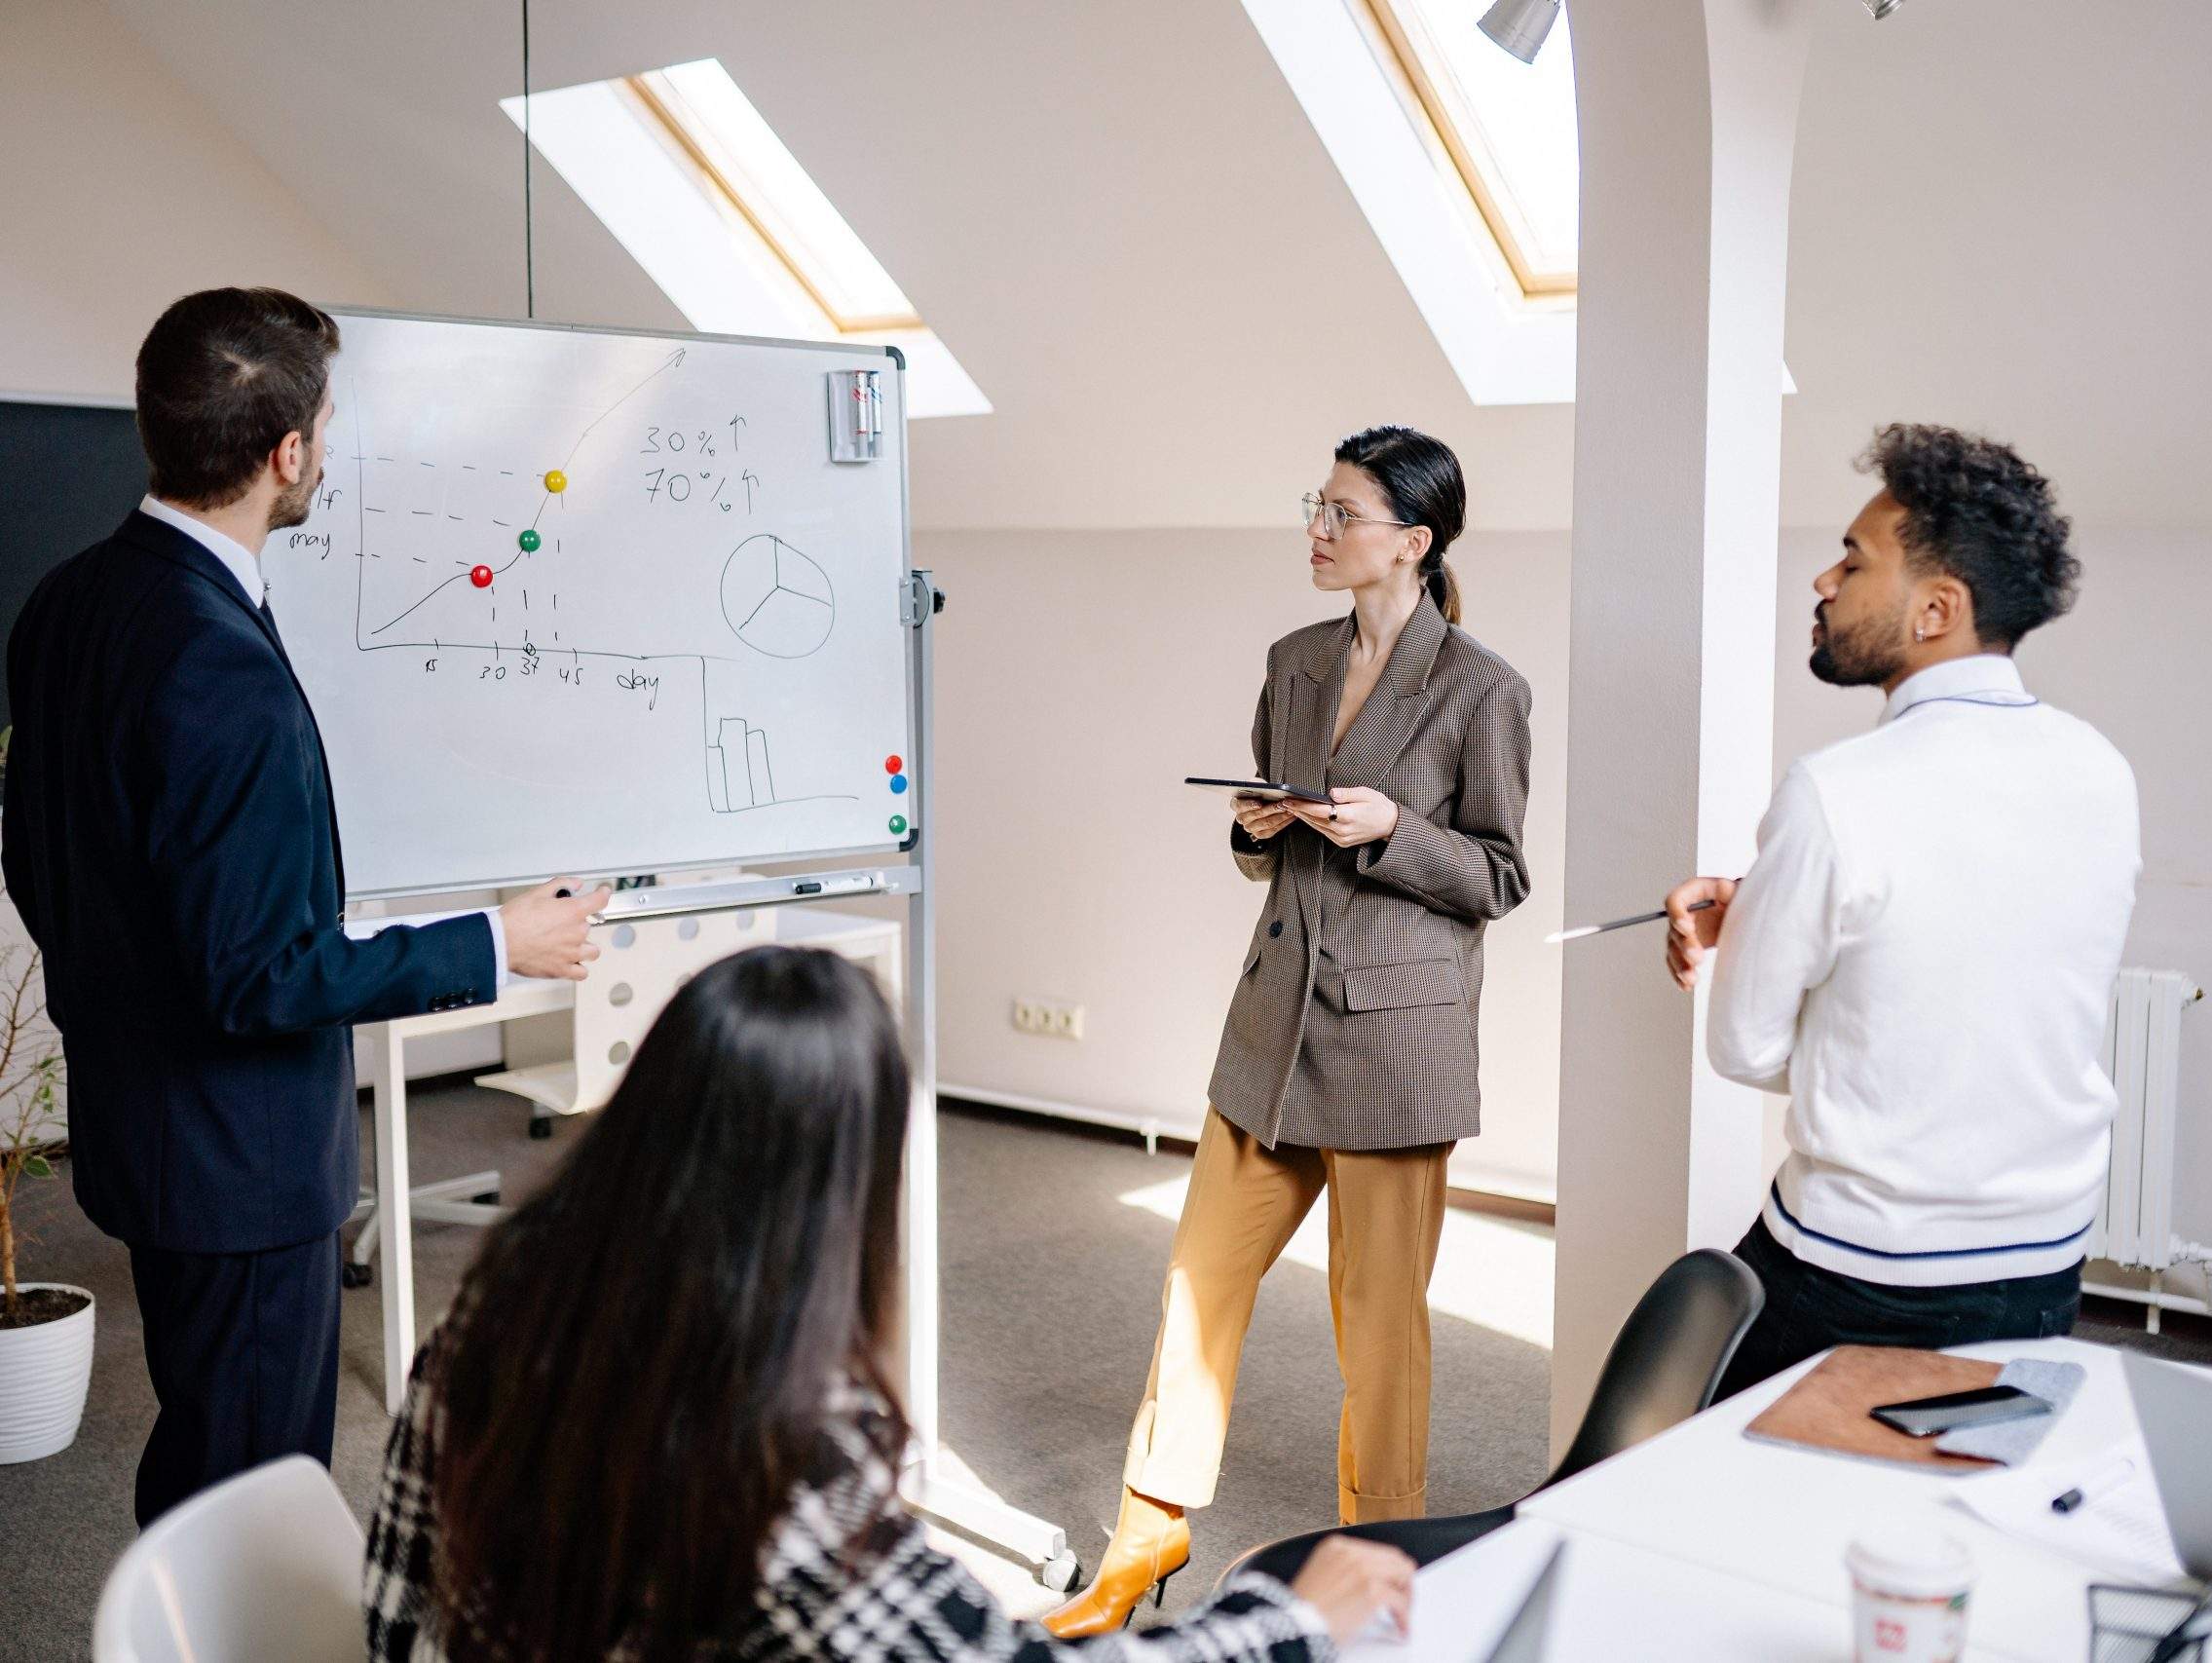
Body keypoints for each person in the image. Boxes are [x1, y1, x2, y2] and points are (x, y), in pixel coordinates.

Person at [1, 286, 607, 1525]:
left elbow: (38, 861)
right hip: (240, 1167)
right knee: (257, 1495)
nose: (328, 447)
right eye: (325, 425)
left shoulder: (68, 600)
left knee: (205, 1456)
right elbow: (264, 975)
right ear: (287, 455)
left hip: (147, 1129)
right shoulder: (215, 661)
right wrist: (502, 942)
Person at [364, 946, 1414, 1661]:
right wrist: (1285, 1618)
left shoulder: (495, 1308)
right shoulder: (787, 1449)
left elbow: (398, 1605)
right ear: (844, 1184)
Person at [1046, 427, 1532, 1637]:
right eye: (1314, 508)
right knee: (1196, 1290)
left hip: (1393, 1047)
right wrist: (1258, 830)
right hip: (1269, 1034)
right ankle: (1142, 1543)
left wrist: (1392, 832)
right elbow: (1264, 829)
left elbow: (1500, 875)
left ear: (1411, 543)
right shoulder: (1294, 658)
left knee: (1379, 1331)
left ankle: (1382, 1561)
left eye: (1342, 514)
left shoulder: (1484, 688)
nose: (1317, 531)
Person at [1664, 424, 2140, 1400]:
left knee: (1706, 1491)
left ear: (1936, 608)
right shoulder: (2099, 767)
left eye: (1852, 559)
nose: (1822, 582)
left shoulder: (1837, 790)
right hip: (2040, 1261)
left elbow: (1745, 1048)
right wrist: (1785, 914)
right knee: (1946, 1516)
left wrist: (1777, 951)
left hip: (1860, 1267)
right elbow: (1984, 947)